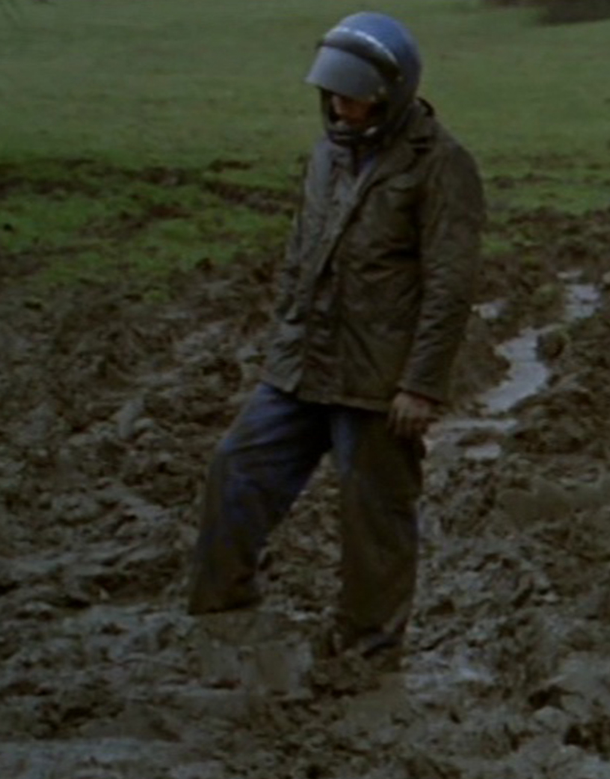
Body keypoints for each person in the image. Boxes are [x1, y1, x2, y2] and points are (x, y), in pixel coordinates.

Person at [186, 12, 485, 666]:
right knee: (236, 467)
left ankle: (369, 652)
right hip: (302, 364)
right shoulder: (326, 154)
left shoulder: (441, 164)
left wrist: (420, 385)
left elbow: (450, 286)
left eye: (354, 97)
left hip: (379, 379)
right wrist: (284, 339)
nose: (341, 108)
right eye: (333, 94)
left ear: (391, 93)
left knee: (373, 517)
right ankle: (221, 608)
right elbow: (300, 253)